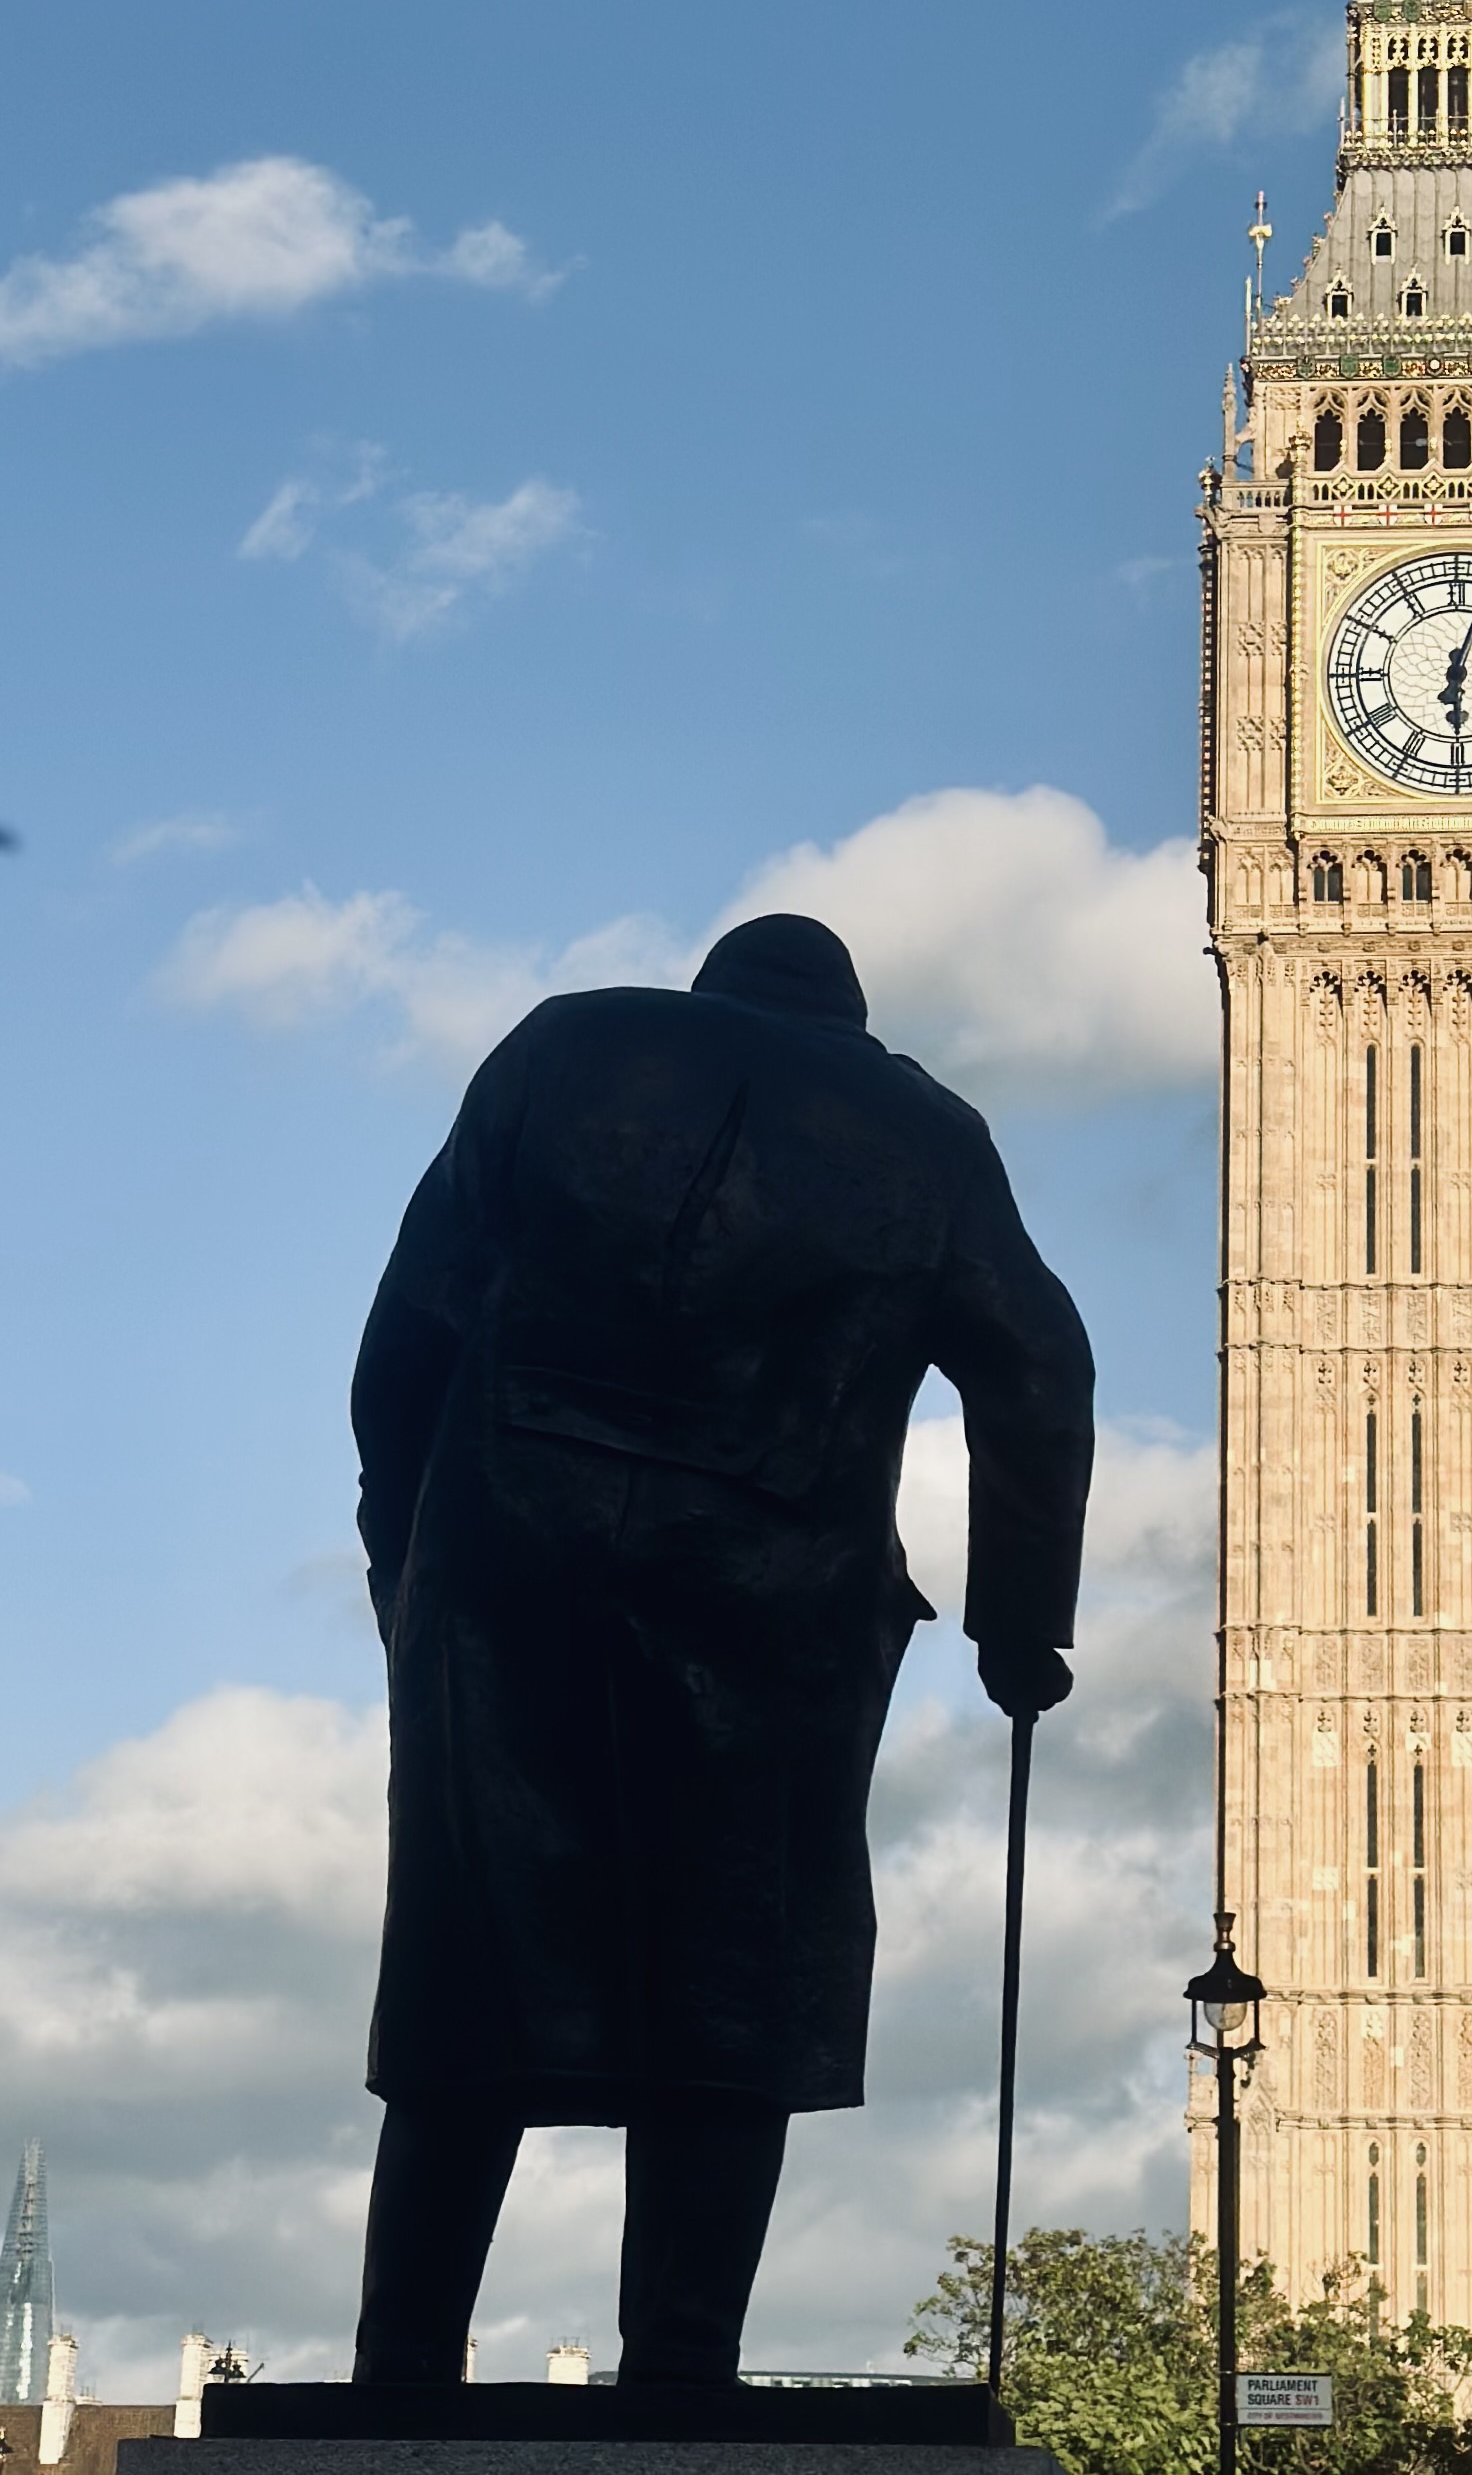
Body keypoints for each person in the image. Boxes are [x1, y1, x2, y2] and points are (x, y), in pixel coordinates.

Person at [346, 913, 1094, 2387]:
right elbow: (1038, 1368)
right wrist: (1019, 1622)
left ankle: (403, 2362)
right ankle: (680, 2369)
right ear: (852, 1023)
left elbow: (409, 1327)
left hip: (509, 1555)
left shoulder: (561, 1047)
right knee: (733, 1970)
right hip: (770, 1589)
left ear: (707, 993)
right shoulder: (923, 1133)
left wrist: (402, 1538)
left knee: (473, 1958)